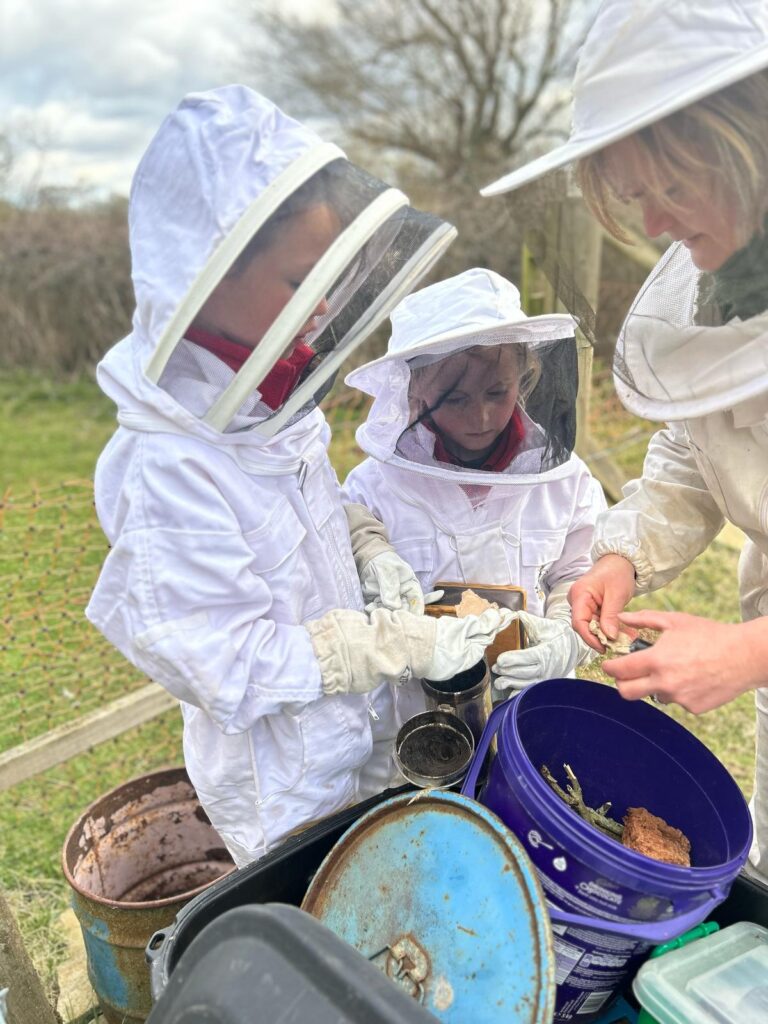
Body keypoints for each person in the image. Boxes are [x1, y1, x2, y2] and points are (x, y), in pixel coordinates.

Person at [85, 86, 513, 867]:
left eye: (329, 276)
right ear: (205, 277)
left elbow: (309, 510)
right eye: (296, 281)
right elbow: (227, 665)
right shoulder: (166, 470)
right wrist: (378, 645)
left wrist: (367, 548)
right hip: (286, 791)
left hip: (364, 742)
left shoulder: (269, 395)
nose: (318, 308)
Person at [481, 0, 768, 879]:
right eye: (635, 197)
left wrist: (746, 653)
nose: (651, 226)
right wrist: (621, 557)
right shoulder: (722, 288)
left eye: (672, 188)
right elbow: (696, 451)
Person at [342, 267, 606, 693]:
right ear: (414, 391)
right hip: (416, 715)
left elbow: (579, 572)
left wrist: (564, 636)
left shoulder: (564, 481)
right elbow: (352, 587)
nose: (481, 417)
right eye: (456, 399)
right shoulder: (373, 488)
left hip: (530, 697)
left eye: (496, 393)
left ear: (522, 378)